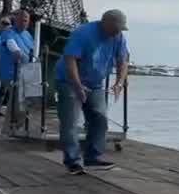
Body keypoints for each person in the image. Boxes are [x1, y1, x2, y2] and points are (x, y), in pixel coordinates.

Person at [55, 9, 130, 175]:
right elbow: (70, 59)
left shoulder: (118, 37)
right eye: (116, 28)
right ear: (105, 23)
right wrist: (77, 85)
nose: (118, 32)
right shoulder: (83, 33)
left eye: (121, 29)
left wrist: (119, 83)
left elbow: (123, 61)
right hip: (69, 81)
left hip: (95, 83)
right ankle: (72, 161)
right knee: (70, 123)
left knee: (100, 119)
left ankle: (92, 157)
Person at [0, 10, 33, 117]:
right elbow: (10, 43)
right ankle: (11, 126)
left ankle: (13, 126)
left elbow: (32, 50)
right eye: (21, 20)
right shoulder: (8, 32)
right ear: (16, 20)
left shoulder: (28, 35)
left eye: (26, 20)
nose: (24, 22)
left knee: (21, 101)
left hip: (25, 72)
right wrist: (16, 51)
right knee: (16, 99)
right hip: (11, 72)